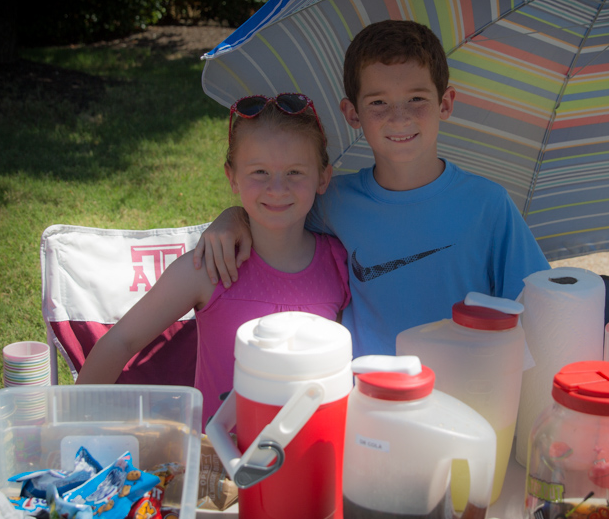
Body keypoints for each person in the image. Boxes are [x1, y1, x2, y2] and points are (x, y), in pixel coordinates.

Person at [194, 20, 549, 357]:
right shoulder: (332, 200)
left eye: (416, 99)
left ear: (445, 103)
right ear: (352, 113)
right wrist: (233, 218)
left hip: (463, 400)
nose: (399, 116)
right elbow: (274, 210)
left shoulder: (488, 205)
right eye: (378, 102)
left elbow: (540, 308)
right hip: (364, 399)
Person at [77, 94, 351, 421]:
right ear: (232, 177)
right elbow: (120, 341)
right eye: (260, 172)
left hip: (312, 455)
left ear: (323, 178)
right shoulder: (209, 268)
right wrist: (67, 426)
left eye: (294, 172)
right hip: (216, 462)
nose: (277, 188)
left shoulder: (340, 263)